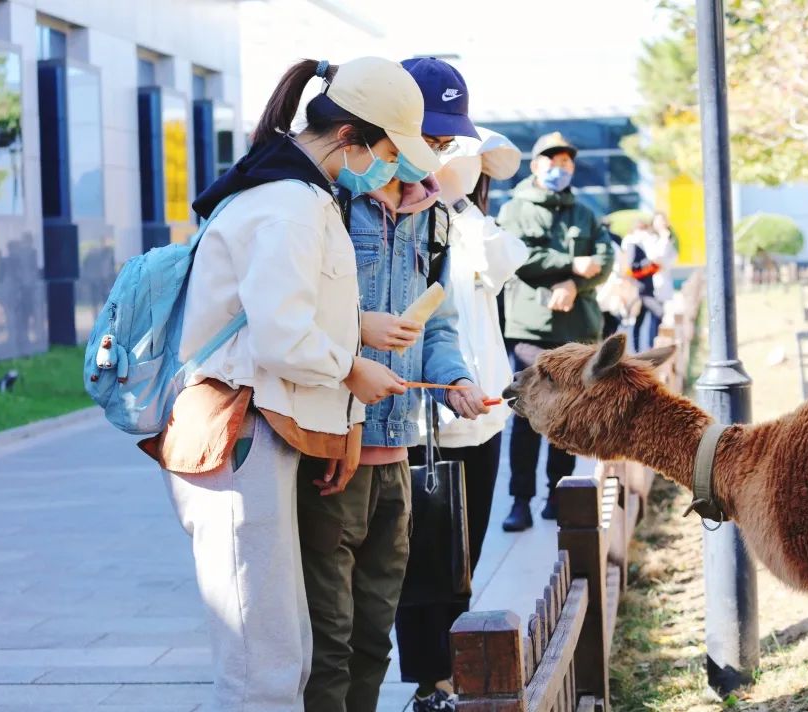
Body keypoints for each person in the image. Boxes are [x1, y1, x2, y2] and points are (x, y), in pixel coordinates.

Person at [151, 56, 433, 711]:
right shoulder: (289, 205)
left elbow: (294, 318)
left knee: (280, 650)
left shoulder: (291, 195)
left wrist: (342, 423)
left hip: (253, 433)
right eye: (390, 151)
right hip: (238, 437)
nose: (395, 168)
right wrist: (351, 369)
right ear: (347, 137)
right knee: (264, 660)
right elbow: (286, 337)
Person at [298, 57, 489, 712]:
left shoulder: (432, 218)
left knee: (376, 636)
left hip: (397, 452)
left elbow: (434, 325)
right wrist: (358, 333)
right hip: (331, 449)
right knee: (333, 636)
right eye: (425, 139)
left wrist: (455, 375)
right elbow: (295, 319)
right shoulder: (329, 200)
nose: (430, 155)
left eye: (440, 144)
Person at [396, 128, 527, 711]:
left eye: (475, 163)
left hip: (485, 412)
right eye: (454, 152)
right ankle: (432, 679)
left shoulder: (472, 227)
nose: (470, 169)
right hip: (427, 415)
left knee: (464, 554)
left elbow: (500, 269)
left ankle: (454, 668)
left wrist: (462, 196)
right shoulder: (404, 220)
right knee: (425, 555)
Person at [498, 131, 615, 532]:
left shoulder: (584, 211)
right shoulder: (515, 209)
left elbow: (605, 256)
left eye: (566, 162)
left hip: (577, 328)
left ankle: (558, 494)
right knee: (528, 412)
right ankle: (520, 501)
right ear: (535, 165)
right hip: (532, 329)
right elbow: (517, 256)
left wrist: (572, 285)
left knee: (568, 413)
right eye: (551, 160)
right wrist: (570, 263)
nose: (559, 168)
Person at [622, 218, 677, 351]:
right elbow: (631, 268)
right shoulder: (632, 244)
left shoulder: (644, 244)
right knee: (657, 313)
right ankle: (640, 349)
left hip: (647, 289)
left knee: (641, 321)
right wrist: (648, 266)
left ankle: (641, 349)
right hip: (640, 290)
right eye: (641, 229)